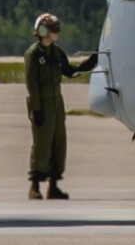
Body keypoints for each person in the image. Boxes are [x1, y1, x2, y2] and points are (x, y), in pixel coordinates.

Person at [24, 12, 98, 200]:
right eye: (53, 29)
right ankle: (34, 187)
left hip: (57, 105)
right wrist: (36, 109)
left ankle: (53, 186)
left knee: (59, 143)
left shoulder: (56, 53)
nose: (57, 32)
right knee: (41, 145)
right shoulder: (33, 54)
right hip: (41, 104)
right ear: (42, 31)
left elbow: (68, 70)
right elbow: (31, 84)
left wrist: (86, 65)